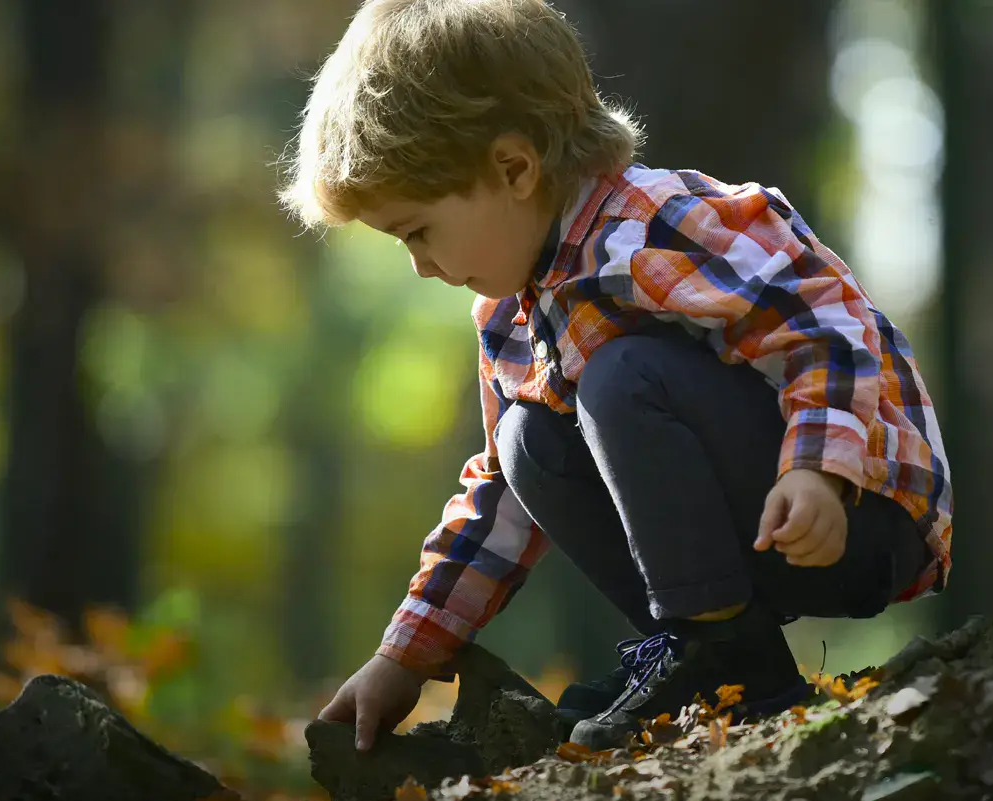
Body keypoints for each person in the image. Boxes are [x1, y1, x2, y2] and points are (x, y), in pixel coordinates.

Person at [283, 0, 953, 753]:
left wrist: (819, 471)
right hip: (758, 543)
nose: (418, 263)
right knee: (524, 440)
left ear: (512, 167)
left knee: (620, 375)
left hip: (858, 511)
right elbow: (498, 502)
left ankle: (712, 642)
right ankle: (722, 658)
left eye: (417, 229)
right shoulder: (511, 317)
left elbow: (826, 328)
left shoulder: (655, 224)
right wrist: (403, 657)